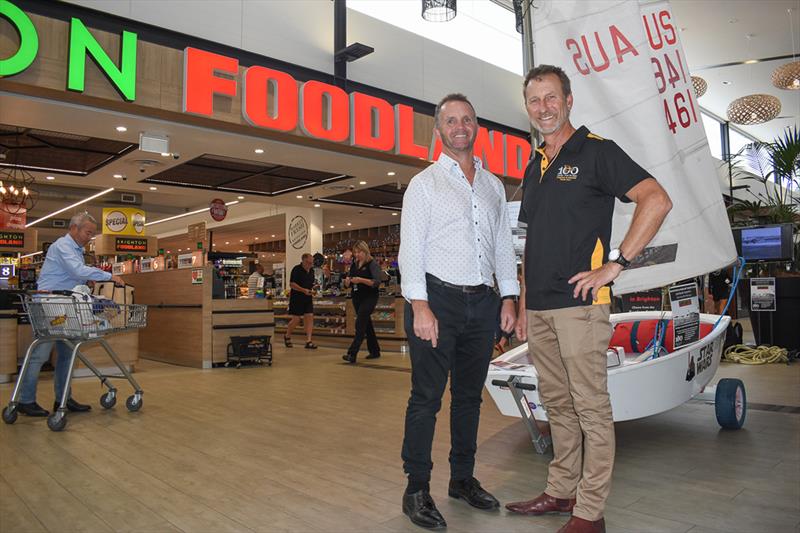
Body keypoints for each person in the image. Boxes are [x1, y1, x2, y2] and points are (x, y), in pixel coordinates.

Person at [505, 65, 672, 533]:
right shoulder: (535, 165)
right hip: (538, 308)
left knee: (590, 408)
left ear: (569, 99)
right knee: (556, 405)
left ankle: (590, 512)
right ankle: (560, 492)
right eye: (534, 100)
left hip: (581, 305)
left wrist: (617, 261)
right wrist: (521, 301)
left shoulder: (598, 152)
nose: (543, 107)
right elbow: (529, 241)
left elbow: (656, 199)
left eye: (551, 97)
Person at [398, 93, 519, 530]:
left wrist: (509, 297)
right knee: (426, 399)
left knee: (469, 399)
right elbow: (410, 249)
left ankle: (462, 479)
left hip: (483, 302)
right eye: (451, 120)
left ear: (476, 126)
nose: (460, 126)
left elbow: (502, 245)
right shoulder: (424, 184)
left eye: (467, 119)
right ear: (439, 130)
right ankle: (416, 489)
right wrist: (420, 306)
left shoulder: (492, 185)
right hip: (437, 300)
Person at [15, 212, 125, 417]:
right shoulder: (63, 246)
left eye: (92, 233)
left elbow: (74, 275)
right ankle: (25, 400)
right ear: (74, 228)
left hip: (66, 306)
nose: (89, 237)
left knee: (68, 354)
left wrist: (85, 283)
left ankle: (63, 398)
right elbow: (77, 270)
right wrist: (109, 276)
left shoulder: (76, 249)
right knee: (39, 354)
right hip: (50, 305)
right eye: (87, 232)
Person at [342, 240, 382, 363]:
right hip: (357, 297)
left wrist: (361, 280)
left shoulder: (372, 264)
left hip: (369, 297)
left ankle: (352, 354)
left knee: (360, 324)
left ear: (365, 251)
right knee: (366, 324)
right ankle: (375, 351)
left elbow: (376, 282)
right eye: (355, 252)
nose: (357, 254)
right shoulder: (354, 264)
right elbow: (348, 280)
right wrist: (347, 282)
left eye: (359, 252)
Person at [284, 253, 318, 349]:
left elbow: (310, 283)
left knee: (309, 317)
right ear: (303, 260)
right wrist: (303, 290)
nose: (310, 265)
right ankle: (287, 336)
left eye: (311, 263)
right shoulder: (296, 269)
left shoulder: (311, 271)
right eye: (308, 262)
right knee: (296, 319)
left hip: (307, 298)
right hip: (297, 298)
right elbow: (292, 284)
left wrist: (313, 289)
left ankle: (308, 341)